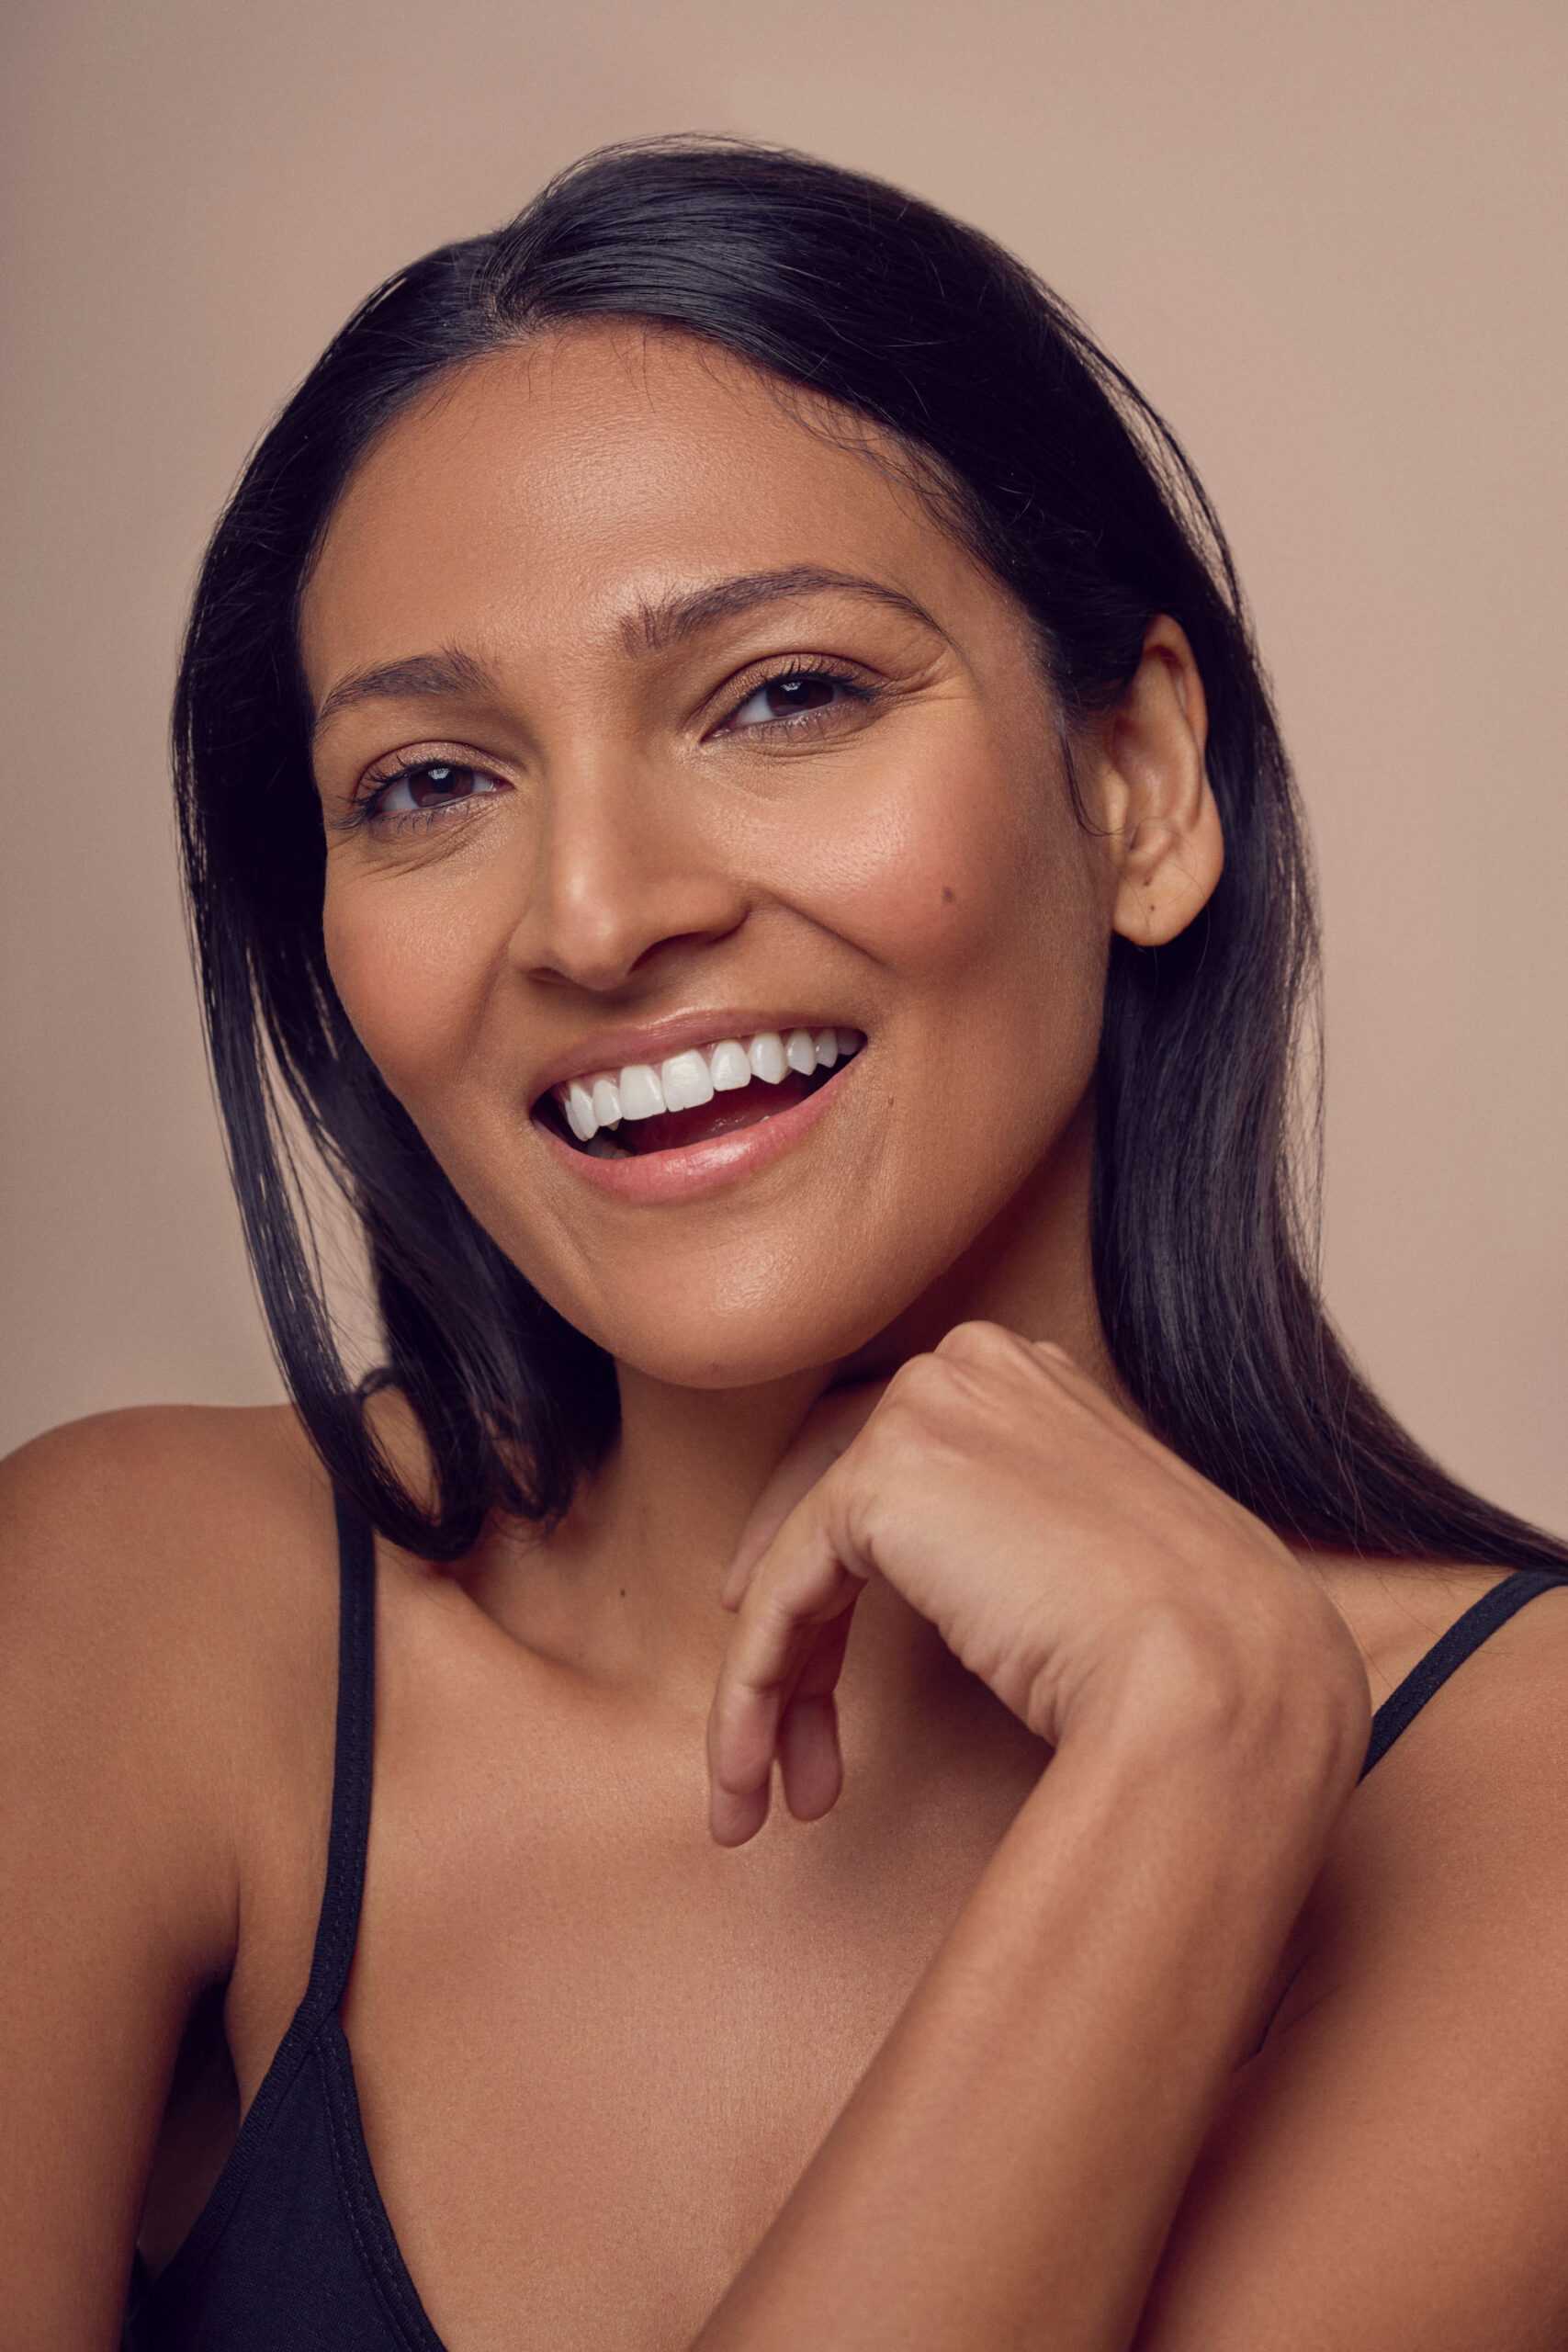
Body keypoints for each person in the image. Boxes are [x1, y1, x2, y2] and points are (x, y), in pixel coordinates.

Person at [4, 137, 1566, 2352]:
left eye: (780, 695)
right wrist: (1196, 1756)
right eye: (430, 781)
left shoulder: (1525, 1812)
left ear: (1132, 786)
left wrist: (1189, 1756)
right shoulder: (135, 1612)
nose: (595, 911)